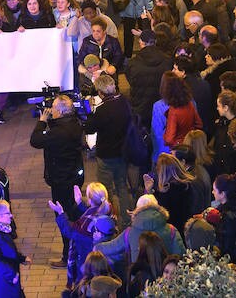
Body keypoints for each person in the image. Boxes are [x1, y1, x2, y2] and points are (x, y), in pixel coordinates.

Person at [30, 93, 85, 268]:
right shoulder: (74, 123)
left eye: (53, 107)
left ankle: (68, 255)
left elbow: (36, 141)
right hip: (73, 176)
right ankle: (79, 247)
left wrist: (41, 121)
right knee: (75, 213)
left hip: (62, 180)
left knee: (64, 216)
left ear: (60, 111)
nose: (50, 110)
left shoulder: (59, 132)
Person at [82, 74, 131, 226]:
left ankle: (110, 219)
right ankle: (127, 218)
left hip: (106, 155)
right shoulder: (123, 101)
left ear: (101, 93)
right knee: (122, 185)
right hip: (122, 153)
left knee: (106, 189)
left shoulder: (102, 110)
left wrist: (89, 112)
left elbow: (89, 129)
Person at [126, 29, 171, 128]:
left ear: (141, 42)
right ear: (155, 42)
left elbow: (130, 79)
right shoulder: (167, 61)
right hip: (163, 106)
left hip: (140, 107)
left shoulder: (133, 63)